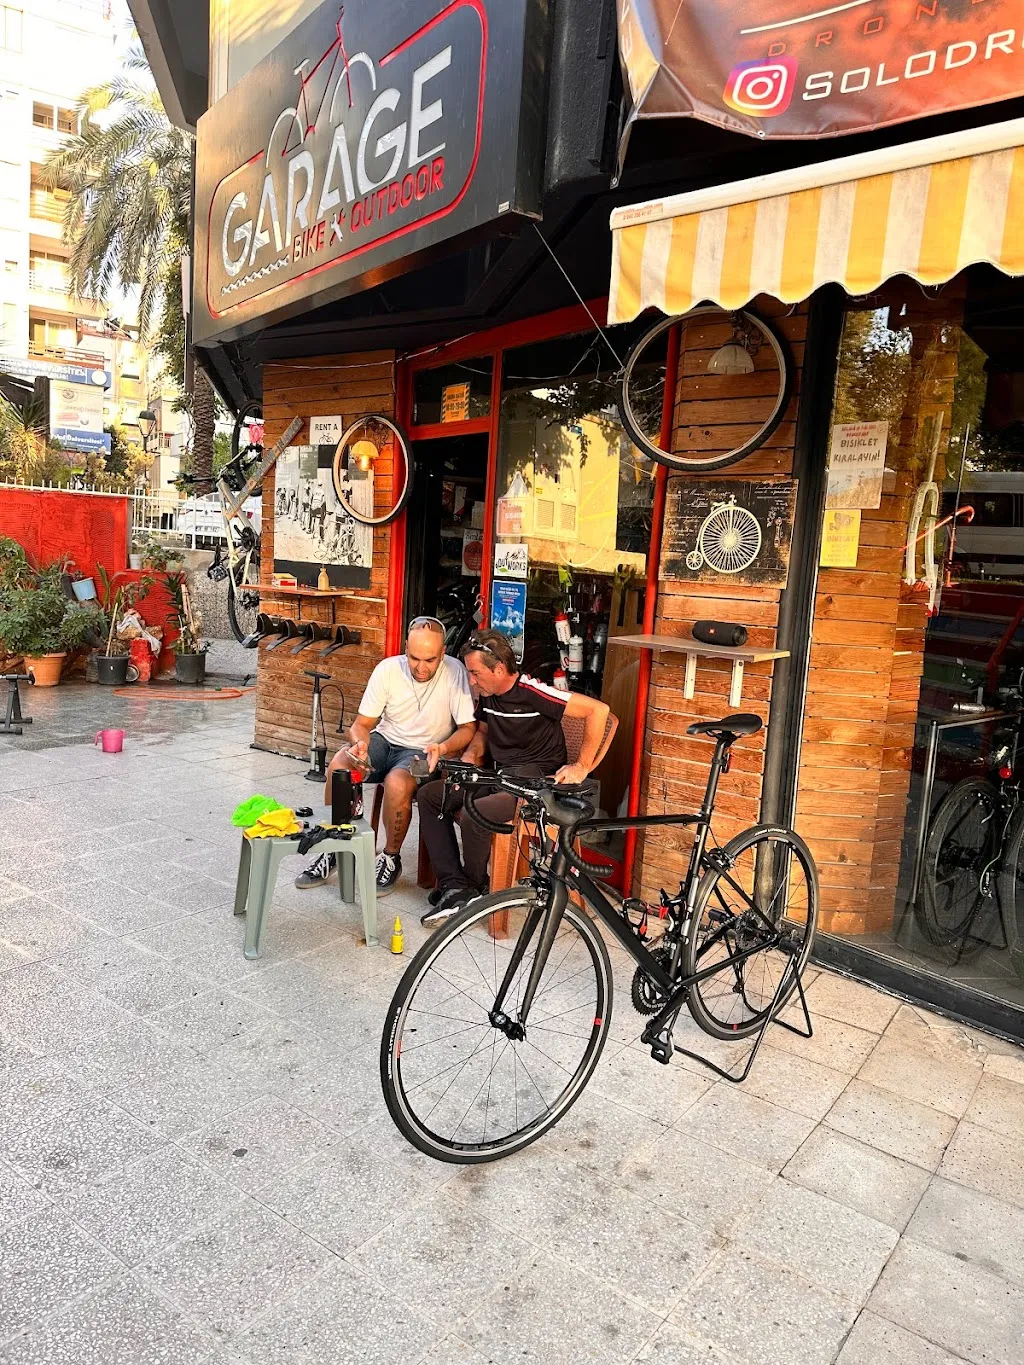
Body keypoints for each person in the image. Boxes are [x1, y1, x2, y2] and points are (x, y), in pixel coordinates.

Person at [417, 628, 611, 924]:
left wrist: (582, 766)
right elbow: (482, 731)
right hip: (501, 777)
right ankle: (454, 883)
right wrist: (469, 760)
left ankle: (474, 886)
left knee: (474, 814)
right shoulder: (489, 693)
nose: (471, 680)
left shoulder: (533, 692)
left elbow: (599, 711)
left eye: (475, 673)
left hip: (537, 787)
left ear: (498, 669)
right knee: (430, 796)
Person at [294, 616, 476, 895]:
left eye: (430, 660)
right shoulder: (388, 669)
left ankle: (391, 858)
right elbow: (362, 725)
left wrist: (444, 748)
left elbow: (468, 728)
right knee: (340, 764)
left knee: (397, 782)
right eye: (414, 658)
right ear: (406, 649)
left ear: (442, 653)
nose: (421, 667)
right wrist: (359, 745)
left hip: (424, 750)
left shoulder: (455, 671)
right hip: (385, 741)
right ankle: (336, 846)